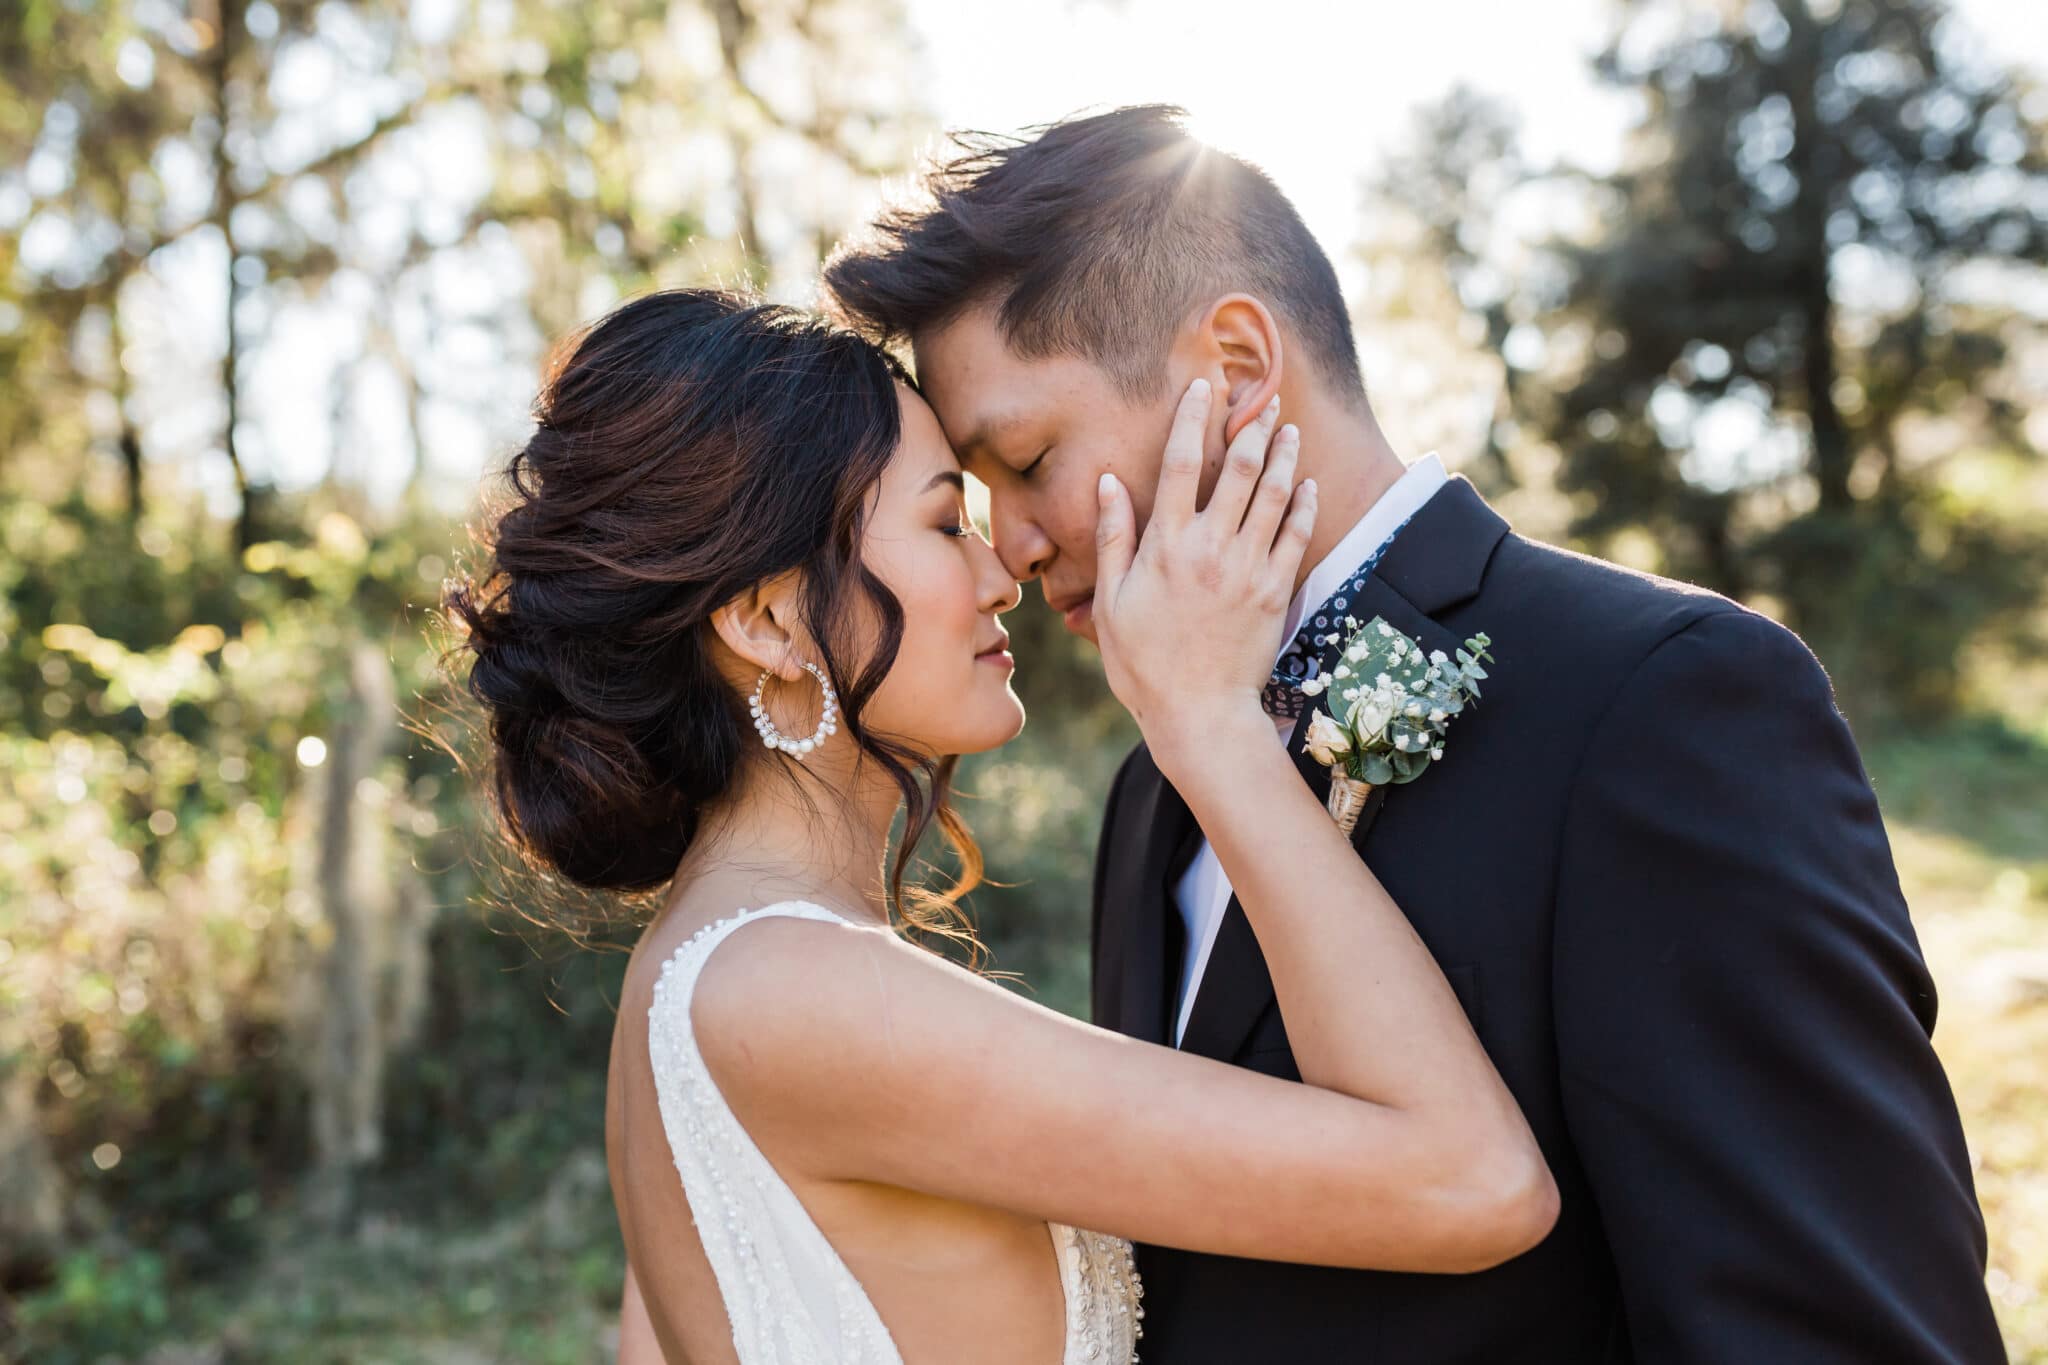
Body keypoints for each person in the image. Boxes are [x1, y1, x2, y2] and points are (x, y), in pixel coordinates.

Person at [822, 103, 2004, 1363]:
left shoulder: (1661, 702)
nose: (1008, 544)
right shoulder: (1150, 789)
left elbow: (1847, 1326)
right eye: (977, 494)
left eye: (1029, 457)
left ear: (1232, 364)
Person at [445, 289, 1556, 1365]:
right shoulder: (797, 994)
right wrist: (1210, 725)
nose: (1000, 574)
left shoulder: (688, 982)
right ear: (770, 620)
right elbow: (1472, 1183)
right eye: (943, 522)